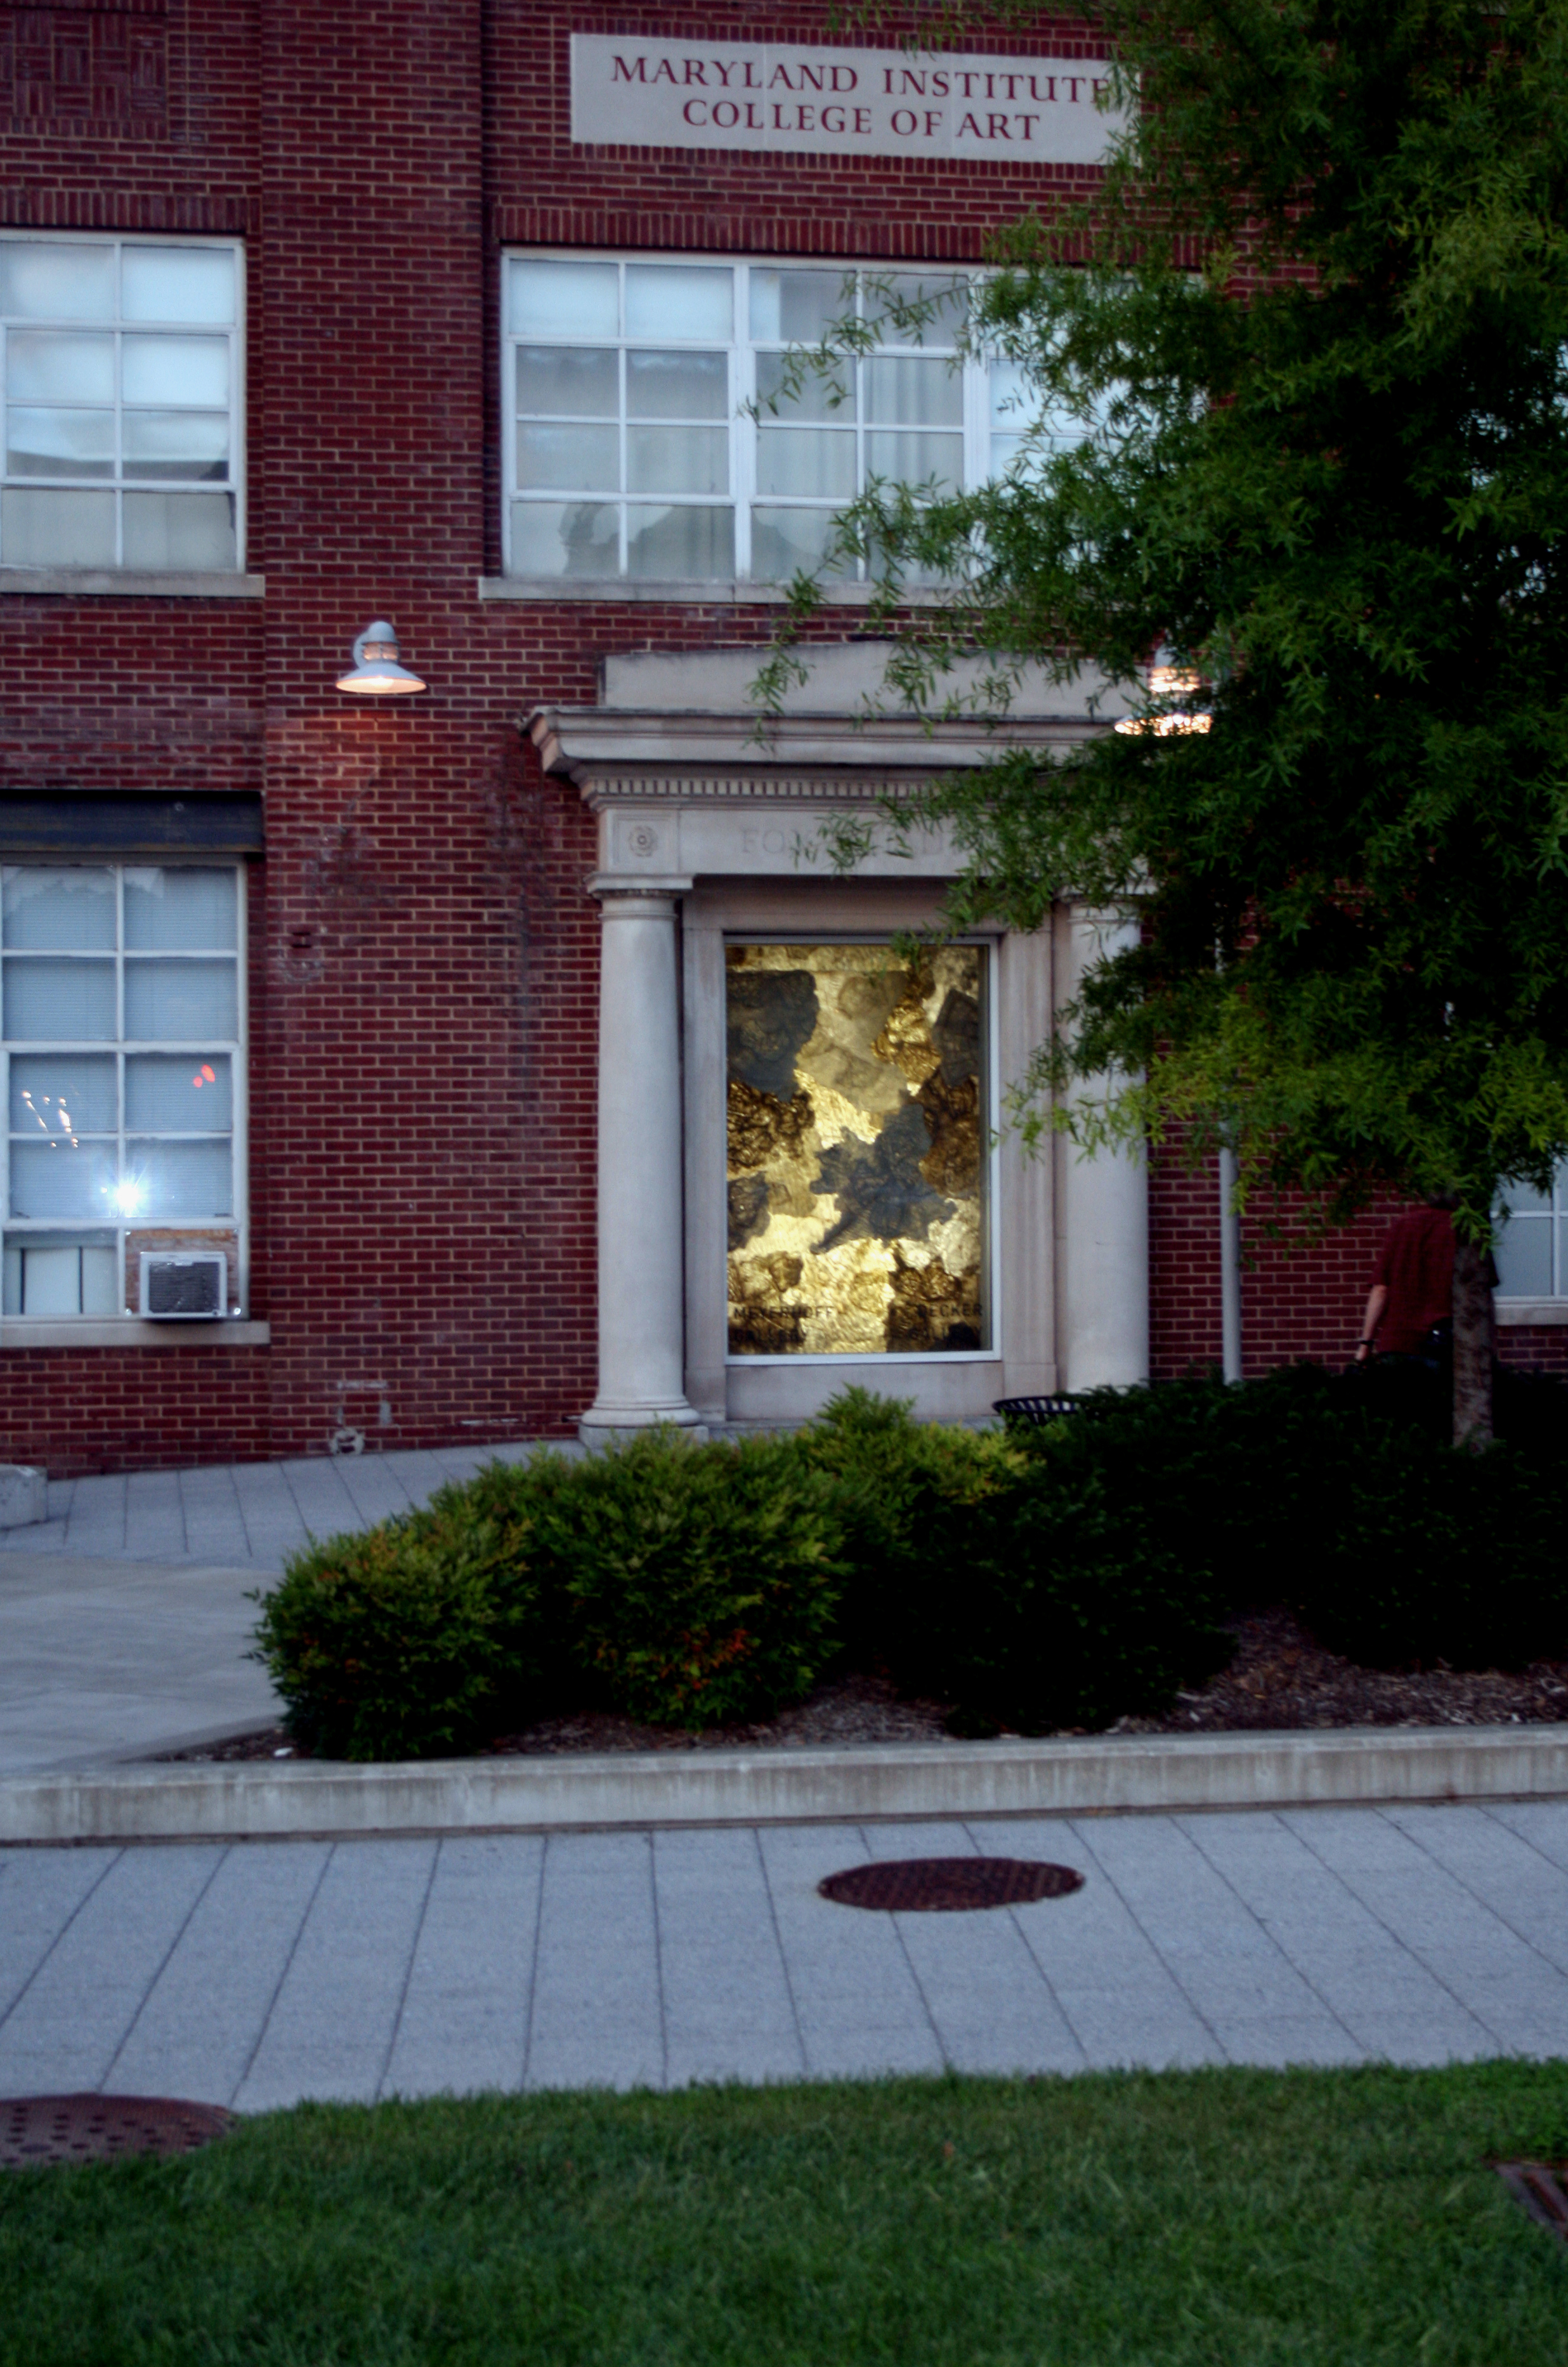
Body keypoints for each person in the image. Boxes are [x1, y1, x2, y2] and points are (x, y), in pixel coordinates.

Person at [1353, 1203, 1456, 1367]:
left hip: (1397, 1342)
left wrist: (1366, 1344)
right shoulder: (1462, 1229)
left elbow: (1381, 1289)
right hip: (1442, 1344)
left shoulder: (1403, 1224)